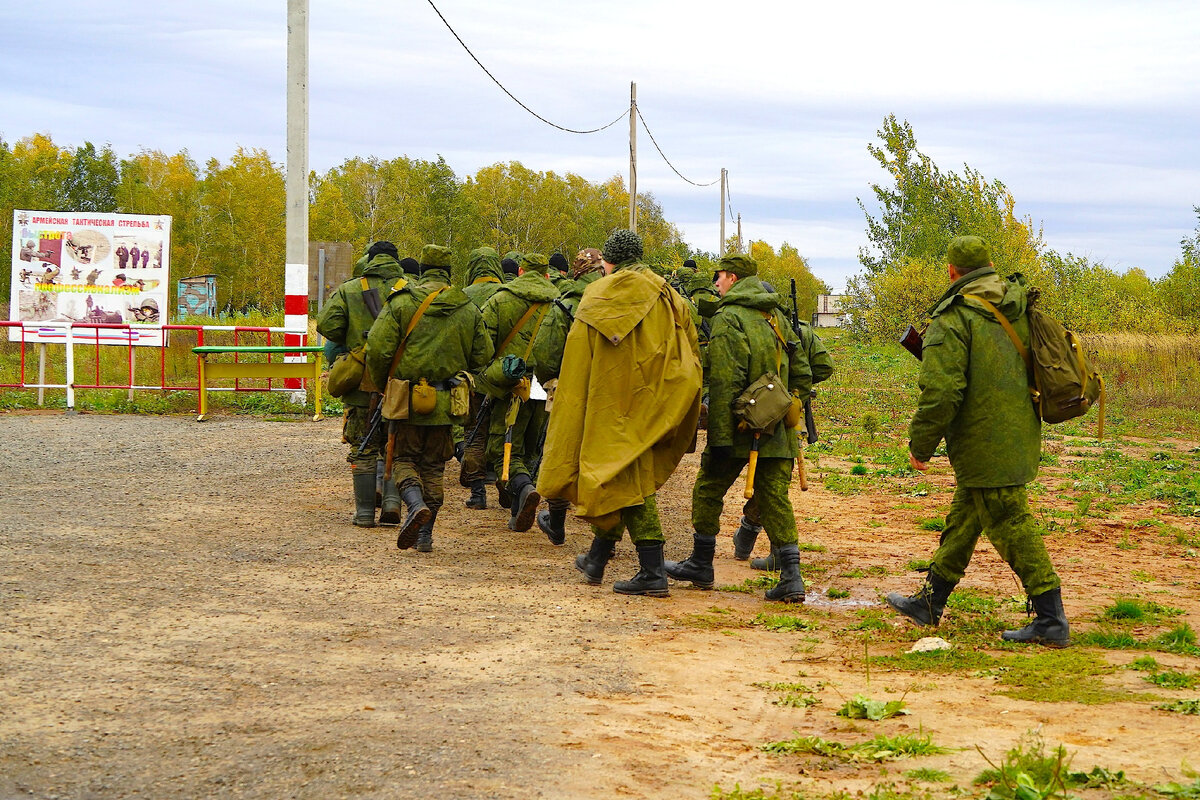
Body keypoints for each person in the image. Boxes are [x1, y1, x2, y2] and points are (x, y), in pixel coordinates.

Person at [885, 235, 1069, 647]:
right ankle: (929, 602)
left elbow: (941, 391)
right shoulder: (1016, 304)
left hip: (983, 439)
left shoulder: (954, 317)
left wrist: (920, 444)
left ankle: (1050, 617)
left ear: (952, 271)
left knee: (1009, 520)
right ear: (987, 265)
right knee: (967, 515)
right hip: (1017, 429)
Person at [537, 230, 702, 597]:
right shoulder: (670, 296)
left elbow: (578, 357)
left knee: (625, 480)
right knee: (617, 477)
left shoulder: (597, 295)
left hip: (607, 402)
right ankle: (597, 558)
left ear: (608, 262)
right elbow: (691, 352)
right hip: (654, 401)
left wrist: (573, 407)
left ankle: (652, 571)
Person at [666, 254, 811, 602]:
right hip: (779, 426)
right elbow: (803, 371)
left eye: (718, 277)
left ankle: (701, 563)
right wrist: (782, 406)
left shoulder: (728, 317)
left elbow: (724, 379)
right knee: (774, 499)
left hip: (737, 425)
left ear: (731, 277)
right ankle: (791, 578)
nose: (715, 283)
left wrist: (718, 438)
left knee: (708, 489)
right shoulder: (775, 315)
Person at [365, 245, 492, 551]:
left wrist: (386, 385)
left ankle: (415, 504)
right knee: (435, 465)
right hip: (448, 402)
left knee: (404, 459)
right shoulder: (466, 307)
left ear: (422, 269)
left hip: (407, 400)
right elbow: (484, 354)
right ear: (450, 271)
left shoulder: (402, 302)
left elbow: (378, 349)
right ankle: (425, 535)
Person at [315, 240, 405, 527]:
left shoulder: (351, 289)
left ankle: (365, 513)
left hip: (361, 383)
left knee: (363, 446)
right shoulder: (411, 289)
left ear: (370, 260)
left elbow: (327, 326)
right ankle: (392, 504)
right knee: (397, 444)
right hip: (401, 382)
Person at [739, 311, 834, 569]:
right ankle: (749, 535)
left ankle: (752, 535)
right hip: (791, 414)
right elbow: (824, 366)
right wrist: (797, 390)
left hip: (757, 410)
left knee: (772, 485)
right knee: (775, 482)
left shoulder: (752, 327)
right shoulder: (801, 330)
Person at [477, 253, 560, 531]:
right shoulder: (559, 303)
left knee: (502, 448)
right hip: (545, 385)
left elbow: (483, 345)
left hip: (512, 384)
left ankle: (523, 490)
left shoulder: (501, 300)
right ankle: (517, 510)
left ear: (522, 271)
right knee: (532, 445)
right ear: (547, 275)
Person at [532, 247, 604, 545]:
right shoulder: (616, 301)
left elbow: (545, 353)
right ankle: (604, 538)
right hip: (609, 392)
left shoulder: (565, 304)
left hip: (568, 391)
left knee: (561, 454)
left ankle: (557, 524)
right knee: (603, 461)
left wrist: (550, 381)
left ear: (577, 272)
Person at [458, 246, 506, 508]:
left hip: (474, 378)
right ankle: (506, 488)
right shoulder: (507, 296)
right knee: (502, 432)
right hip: (504, 379)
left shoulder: (462, 297)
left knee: (473, 434)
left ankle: (478, 494)